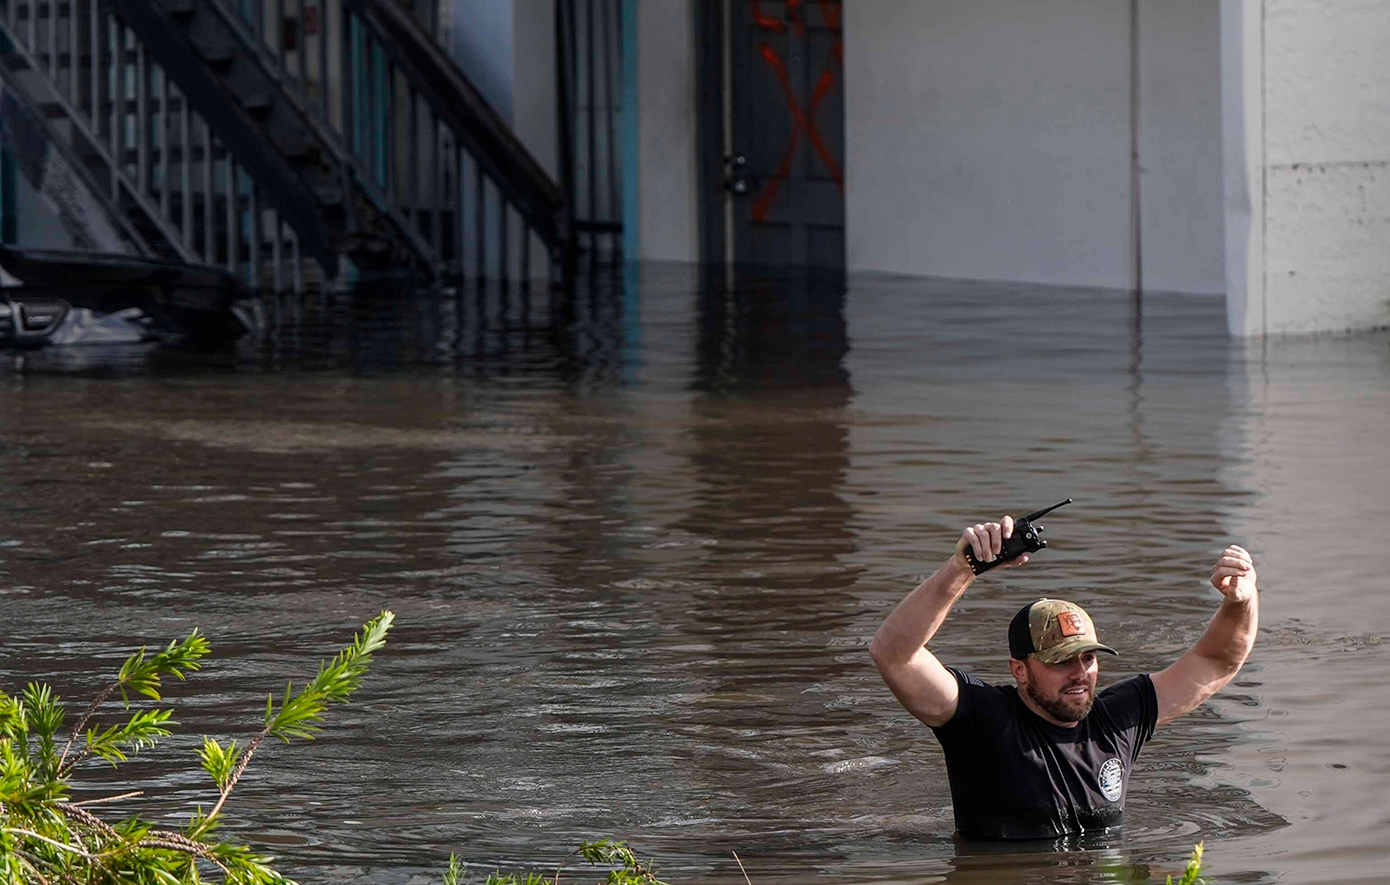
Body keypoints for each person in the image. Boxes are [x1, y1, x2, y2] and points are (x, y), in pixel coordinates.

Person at [869, 514, 1259, 840]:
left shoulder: (1118, 719)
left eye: (1088, 658)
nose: (1079, 674)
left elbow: (1216, 661)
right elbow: (893, 653)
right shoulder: (980, 719)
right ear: (1019, 670)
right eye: (1060, 661)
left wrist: (1241, 601)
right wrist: (961, 570)